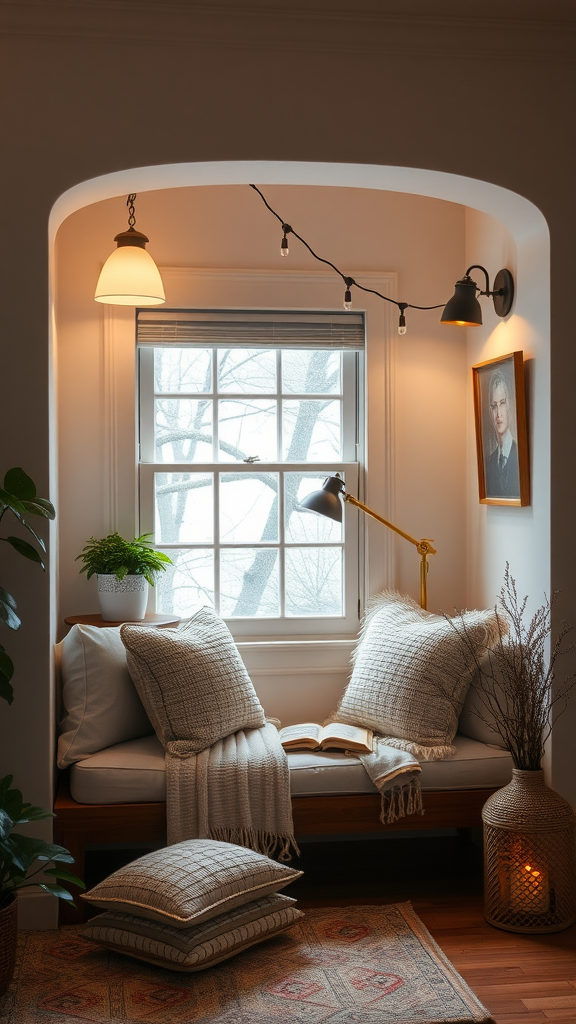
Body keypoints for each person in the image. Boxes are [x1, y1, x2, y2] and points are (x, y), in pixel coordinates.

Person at [484, 369, 520, 498]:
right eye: (494, 406)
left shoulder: (519, 455)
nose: (498, 414)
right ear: (490, 411)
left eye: (502, 403)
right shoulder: (489, 463)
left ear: (510, 405)